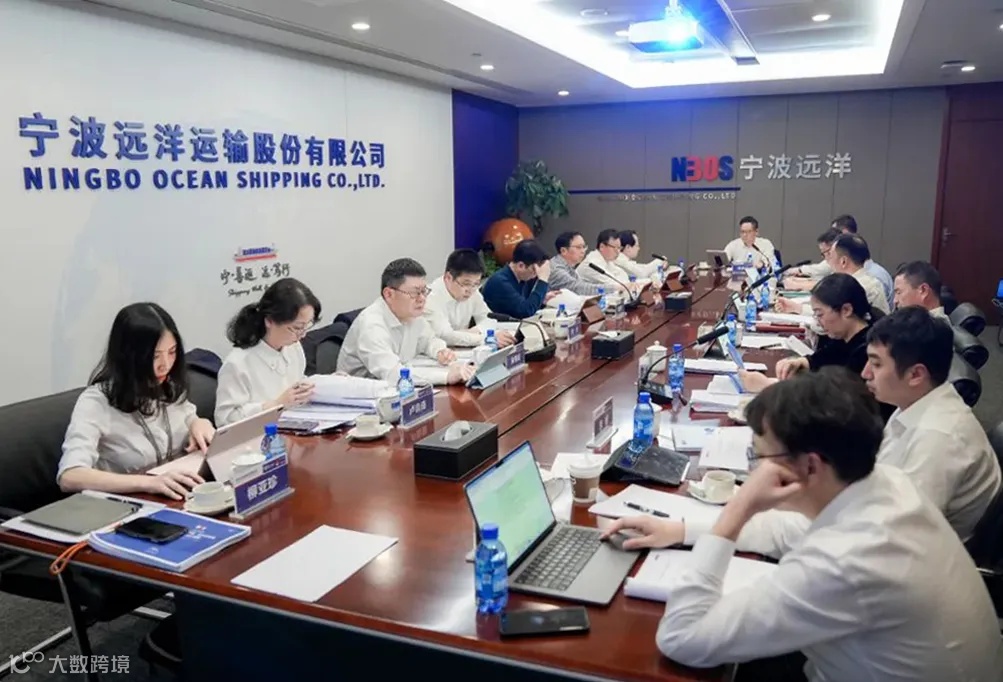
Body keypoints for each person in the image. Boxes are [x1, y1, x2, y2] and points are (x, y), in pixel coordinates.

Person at [604, 369, 1002, 681]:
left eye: (760, 457)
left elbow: (682, 639)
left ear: (810, 465)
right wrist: (682, 531)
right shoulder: (883, 482)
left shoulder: (846, 562)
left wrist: (736, 510)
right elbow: (788, 531)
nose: (755, 471)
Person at [863, 306, 1001, 541]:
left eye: (876, 364)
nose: (865, 373)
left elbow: (899, 536)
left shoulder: (937, 439)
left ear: (916, 375)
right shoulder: (915, 401)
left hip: (912, 551)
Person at [58, 303, 216, 500]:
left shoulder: (168, 385)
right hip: (126, 507)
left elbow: (188, 416)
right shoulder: (96, 402)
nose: (165, 365)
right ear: (128, 357)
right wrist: (148, 483)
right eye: (155, 356)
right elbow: (70, 476)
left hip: (178, 498)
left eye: (172, 352)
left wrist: (199, 423)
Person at [740, 275, 892, 423]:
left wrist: (769, 386)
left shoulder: (867, 350)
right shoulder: (850, 333)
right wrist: (804, 362)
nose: (818, 322)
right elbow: (829, 354)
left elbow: (834, 403)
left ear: (846, 310)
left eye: (820, 314)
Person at [337, 258, 475, 386]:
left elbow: (428, 340)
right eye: (415, 293)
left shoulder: (411, 314)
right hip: (366, 395)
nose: (422, 299)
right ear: (389, 294)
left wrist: (439, 351)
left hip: (402, 389)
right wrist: (446, 376)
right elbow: (393, 374)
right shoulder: (371, 326)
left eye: (424, 291)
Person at [214, 278, 322, 427]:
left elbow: (297, 382)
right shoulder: (238, 363)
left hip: (294, 427)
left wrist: (327, 384)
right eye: (297, 328)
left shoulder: (293, 347)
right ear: (269, 321)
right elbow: (225, 419)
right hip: (259, 436)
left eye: (307, 326)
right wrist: (276, 405)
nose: (302, 335)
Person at [424, 249, 515, 347]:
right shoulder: (430, 297)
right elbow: (446, 336)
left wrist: (473, 331)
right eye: (466, 284)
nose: (470, 290)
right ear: (448, 277)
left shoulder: (473, 290)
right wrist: (486, 338)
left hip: (462, 351)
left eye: (476, 283)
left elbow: (489, 319)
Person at [482, 239, 555, 319]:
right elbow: (525, 311)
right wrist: (543, 280)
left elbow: (527, 304)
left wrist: (541, 300)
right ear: (521, 266)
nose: (536, 274)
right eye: (534, 269)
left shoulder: (523, 278)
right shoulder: (500, 282)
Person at [577, 229, 641, 293]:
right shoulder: (591, 264)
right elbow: (612, 285)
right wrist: (628, 285)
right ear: (602, 246)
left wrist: (630, 285)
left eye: (619, 248)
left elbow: (623, 277)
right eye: (614, 247)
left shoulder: (608, 261)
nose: (618, 252)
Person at [548, 231, 604, 296]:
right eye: (579, 247)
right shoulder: (556, 269)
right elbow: (580, 289)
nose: (583, 251)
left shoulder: (569, 267)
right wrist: (610, 289)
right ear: (563, 251)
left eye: (584, 247)